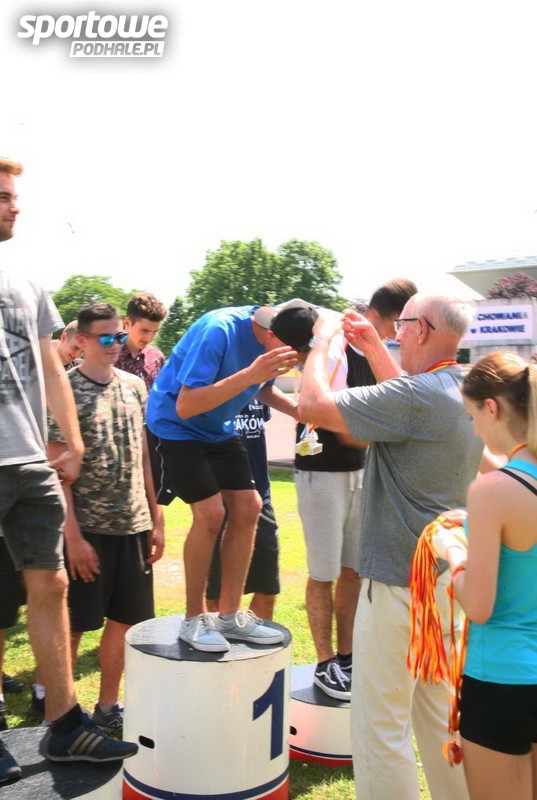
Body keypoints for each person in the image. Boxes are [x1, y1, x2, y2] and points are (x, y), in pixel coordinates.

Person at [297, 293, 484, 800]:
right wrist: (375, 347)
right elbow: (409, 400)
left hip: (399, 586)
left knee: (379, 729)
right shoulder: (462, 389)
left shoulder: (415, 398)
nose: (397, 333)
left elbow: (311, 405)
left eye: (403, 325)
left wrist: (320, 343)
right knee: (440, 718)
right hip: (445, 585)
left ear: (421, 330)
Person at [0, 158, 137, 784]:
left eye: (14, 196)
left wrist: (72, 440)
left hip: (30, 459)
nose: (16, 206)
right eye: (4, 197)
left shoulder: (26, 277)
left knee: (52, 584)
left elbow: (51, 364)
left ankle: (64, 726)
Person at [147, 299, 317, 652]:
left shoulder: (276, 334)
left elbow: (262, 389)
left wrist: (300, 411)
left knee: (249, 507)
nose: (294, 362)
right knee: (211, 514)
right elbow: (186, 404)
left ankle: (229, 616)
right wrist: (251, 374)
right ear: (272, 336)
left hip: (218, 430)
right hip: (175, 427)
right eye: (293, 355)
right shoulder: (218, 330)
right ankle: (193, 620)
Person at [295, 279, 417, 701]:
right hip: (321, 470)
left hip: (359, 470)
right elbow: (332, 418)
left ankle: (346, 656)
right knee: (323, 573)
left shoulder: (374, 352)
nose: (399, 335)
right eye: (399, 324)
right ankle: (325, 661)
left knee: (352, 570)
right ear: (383, 314)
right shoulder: (336, 343)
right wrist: (377, 435)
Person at [48, 302, 165, 735]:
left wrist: (156, 515)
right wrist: (73, 538)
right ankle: (61, 711)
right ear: (81, 340)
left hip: (133, 525)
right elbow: (57, 469)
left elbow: (144, 455)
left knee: (125, 620)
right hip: (87, 530)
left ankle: (107, 705)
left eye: (119, 335)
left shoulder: (134, 386)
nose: (116, 343)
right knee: (74, 625)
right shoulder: (64, 389)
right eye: (106, 337)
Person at [433, 352, 537, 800]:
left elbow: (479, 605)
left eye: (472, 415)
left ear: (491, 408)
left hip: (502, 679)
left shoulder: (492, 491)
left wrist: (453, 553)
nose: (474, 429)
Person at [206, 399, 280, 620]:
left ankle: (257, 640)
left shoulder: (259, 387)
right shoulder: (208, 382)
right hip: (220, 500)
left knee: (267, 588)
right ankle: (219, 638)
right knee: (217, 595)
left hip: (260, 499)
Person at [115, 292, 167, 390]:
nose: (149, 338)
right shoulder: (109, 352)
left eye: (155, 332)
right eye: (144, 331)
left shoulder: (157, 358)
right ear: (127, 323)